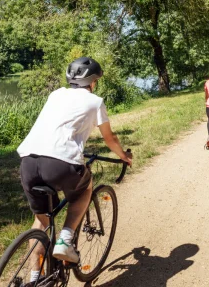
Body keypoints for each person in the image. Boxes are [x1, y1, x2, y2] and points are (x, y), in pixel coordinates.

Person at [16, 57, 132, 283]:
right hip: (60, 163)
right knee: (84, 189)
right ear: (93, 81)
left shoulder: (55, 94)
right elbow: (109, 138)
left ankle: (34, 279)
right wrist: (123, 156)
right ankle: (65, 240)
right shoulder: (95, 102)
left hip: (28, 161)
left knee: (41, 222)